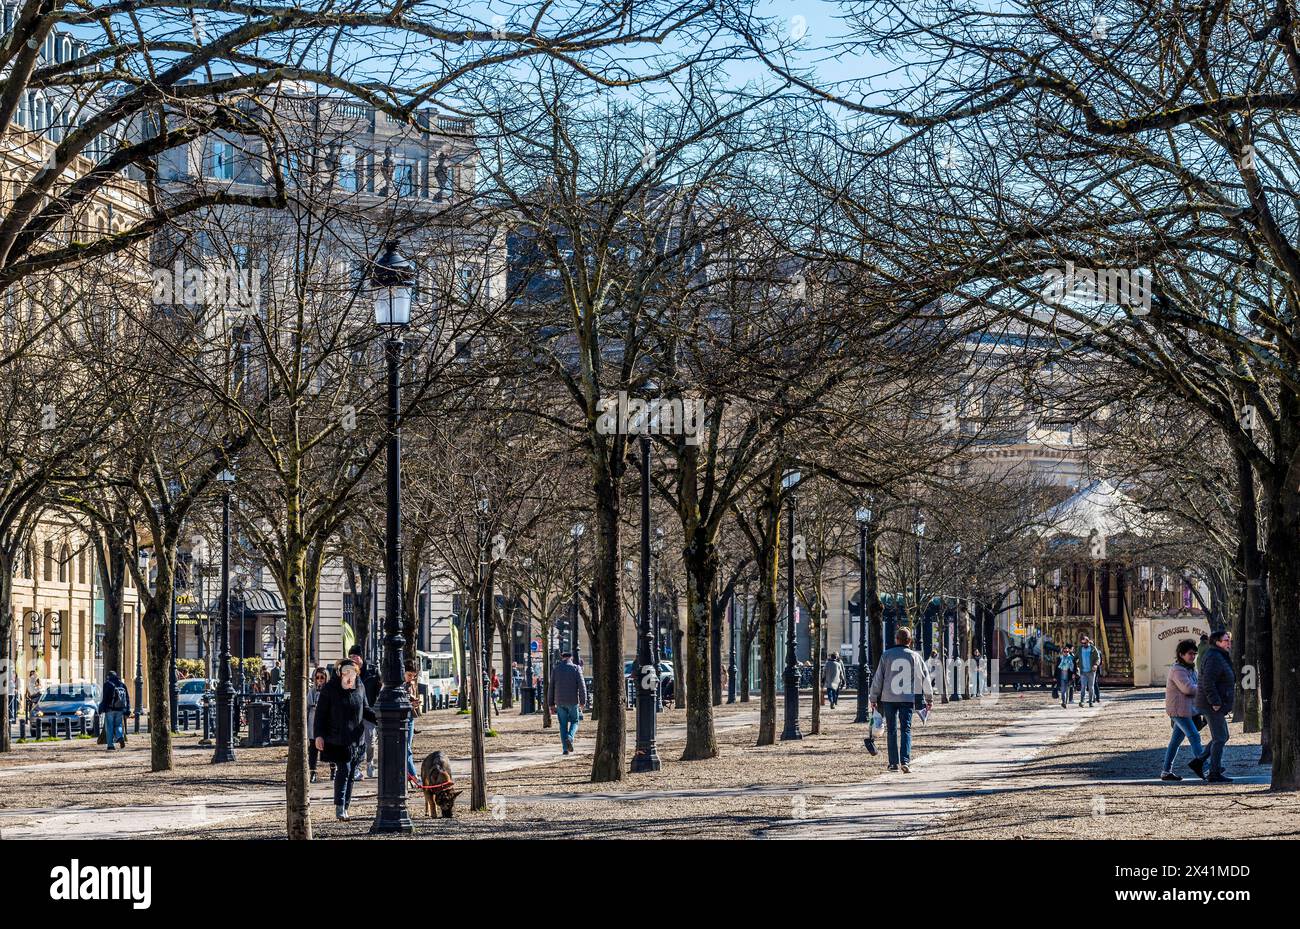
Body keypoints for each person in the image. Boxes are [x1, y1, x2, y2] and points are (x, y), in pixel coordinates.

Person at [313, 658, 376, 821]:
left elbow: (366, 709)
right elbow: (320, 714)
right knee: (345, 770)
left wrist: (381, 719)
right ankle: (340, 806)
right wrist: (319, 735)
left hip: (357, 738)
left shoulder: (360, 687)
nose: (349, 676)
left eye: (353, 673)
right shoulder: (330, 689)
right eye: (346, 673)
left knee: (352, 773)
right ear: (340, 673)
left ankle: (346, 806)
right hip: (338, 738)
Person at [868, 627, 933, 773]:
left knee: (891, 730)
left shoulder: (886, 655)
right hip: (907, 698)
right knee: (906, 729)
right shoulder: (915, 656)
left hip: (889, 698)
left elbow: (878, 678)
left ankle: (893, 763)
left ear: (896, 639)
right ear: (909, 641)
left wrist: (873, 697)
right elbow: (925, 678)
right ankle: (905, 761)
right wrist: (929, 698)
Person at [1194, 630, 1235, 783]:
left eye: (1229, 640)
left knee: (1223, 736)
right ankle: (1214, 773)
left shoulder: (1219, 655)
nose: (1229, 643)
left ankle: (1199, 762)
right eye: (1226, 640)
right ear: (1217, 642)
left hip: (1214, 703)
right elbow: (1208, 682)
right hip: (1211, 704)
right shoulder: (1214, 657)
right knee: (1220, 738)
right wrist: (1215, 702)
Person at [1161, 639, 1203, 781]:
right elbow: (1188, 689)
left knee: (1175, 742)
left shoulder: (1190, 669)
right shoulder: (1178, 670)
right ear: (1181, 654)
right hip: (1179, 711)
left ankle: (1166, 772)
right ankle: (1206, 768)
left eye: (1194, 654)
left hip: (1186, 710)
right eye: (1190, 654)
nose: (1193, 656)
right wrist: (1203, 689)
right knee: (1194, 736)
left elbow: (1194, 686)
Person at [347, 645, 381, 779]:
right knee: (356, 742)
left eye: (355, 656)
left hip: (369, 711)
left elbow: (380, 691)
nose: (353, 659)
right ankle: (357, 768)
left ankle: (369, 763)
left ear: (361, 657)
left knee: (370, 742)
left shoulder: (373, 672)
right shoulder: (348, 672)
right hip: (355, 713)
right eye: (351, 657)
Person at [548, 651, 587, 755]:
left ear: (562, 657)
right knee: (575, 721)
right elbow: (582, 686)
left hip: (560, 702)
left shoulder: (556, 669)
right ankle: (570, 737)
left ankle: (565, 749)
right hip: (573, 701)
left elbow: (551, 687)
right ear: (571, 657)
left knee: (563, 725)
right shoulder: (576, 668)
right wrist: (583, 701)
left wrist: (551, 704)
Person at [97, 669, 130, 751]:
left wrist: (101, 709)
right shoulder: (122, 685)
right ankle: (120, 737)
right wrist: (127, 710)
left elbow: (105, 698)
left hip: (109, 709)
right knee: (118, 725)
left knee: (109, 727)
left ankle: (110, 745)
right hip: (120, 709)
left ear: (108, 676)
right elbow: (127, 698)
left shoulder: (107, 684)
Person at [403, 661, 423, 789]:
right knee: (407, 748)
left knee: (408, 747)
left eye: (414, 676)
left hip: (410, 717)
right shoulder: (397, 683)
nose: (412, 678)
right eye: (410, 675)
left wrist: (413, 700)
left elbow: (406, 696)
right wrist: (411, 704)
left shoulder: (409, 684)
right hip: (403, 718)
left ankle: (409, 775)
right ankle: (414, 776)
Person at [307, 667, 328, 783]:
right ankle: (313, 772)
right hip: (313, 721)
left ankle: (333, 770)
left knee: (329, 746)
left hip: (326, 723)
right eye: (317, 677)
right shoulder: (312, 691)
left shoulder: (329, 691)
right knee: (313, 749)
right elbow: (308, 706)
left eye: (322, 678)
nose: (320, 680)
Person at [1076, 636, 1100, 707]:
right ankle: (1082, 701)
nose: (1083, 644)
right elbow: (1076, 657)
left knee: (1091, 687)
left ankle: (1090, 702)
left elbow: (1098, 658)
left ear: (1088, 641)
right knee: (1083, 687)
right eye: (1082, 643)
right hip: (1083, 671)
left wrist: (1096, 664)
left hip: (1091, 671)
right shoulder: (1080, 649)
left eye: (1085, 643)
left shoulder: (1093, 648)